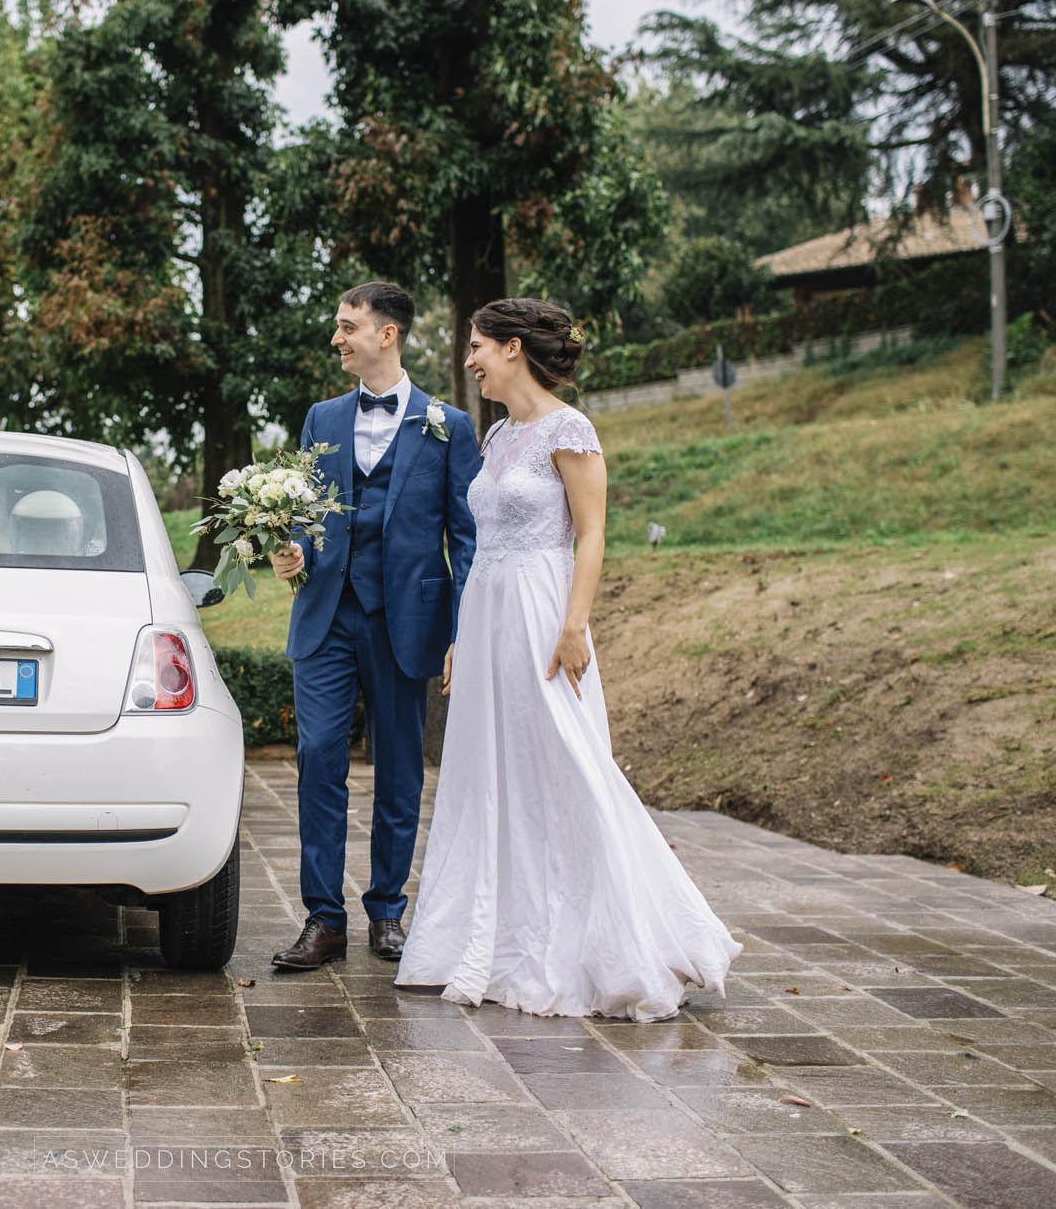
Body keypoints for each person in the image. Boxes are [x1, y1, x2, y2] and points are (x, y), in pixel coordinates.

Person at [395, 297, 741, 1019]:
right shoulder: (495, 439)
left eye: (478, 347)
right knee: (493, 771)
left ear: (514, 347)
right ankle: (493, 937)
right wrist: (461, 633)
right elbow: (480, 544)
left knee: (569, 764)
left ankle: (622, 937)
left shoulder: (569, 429)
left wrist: (575, 624)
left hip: (543, 611)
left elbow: (592, 535)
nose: (470, 361)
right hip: (488, 614)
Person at [268, 282, 479, 970]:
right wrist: (291, 545)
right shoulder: (320, 418)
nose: (337, 337)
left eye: (347, 326)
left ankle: (387, 909)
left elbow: (465, 534)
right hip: (325, 613)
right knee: (319, 756)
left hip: (406, 618)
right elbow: (302, 510)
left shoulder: (449, 425)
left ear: (386, 334)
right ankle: (323, 918)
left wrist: (463, 627)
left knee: (398, 770)